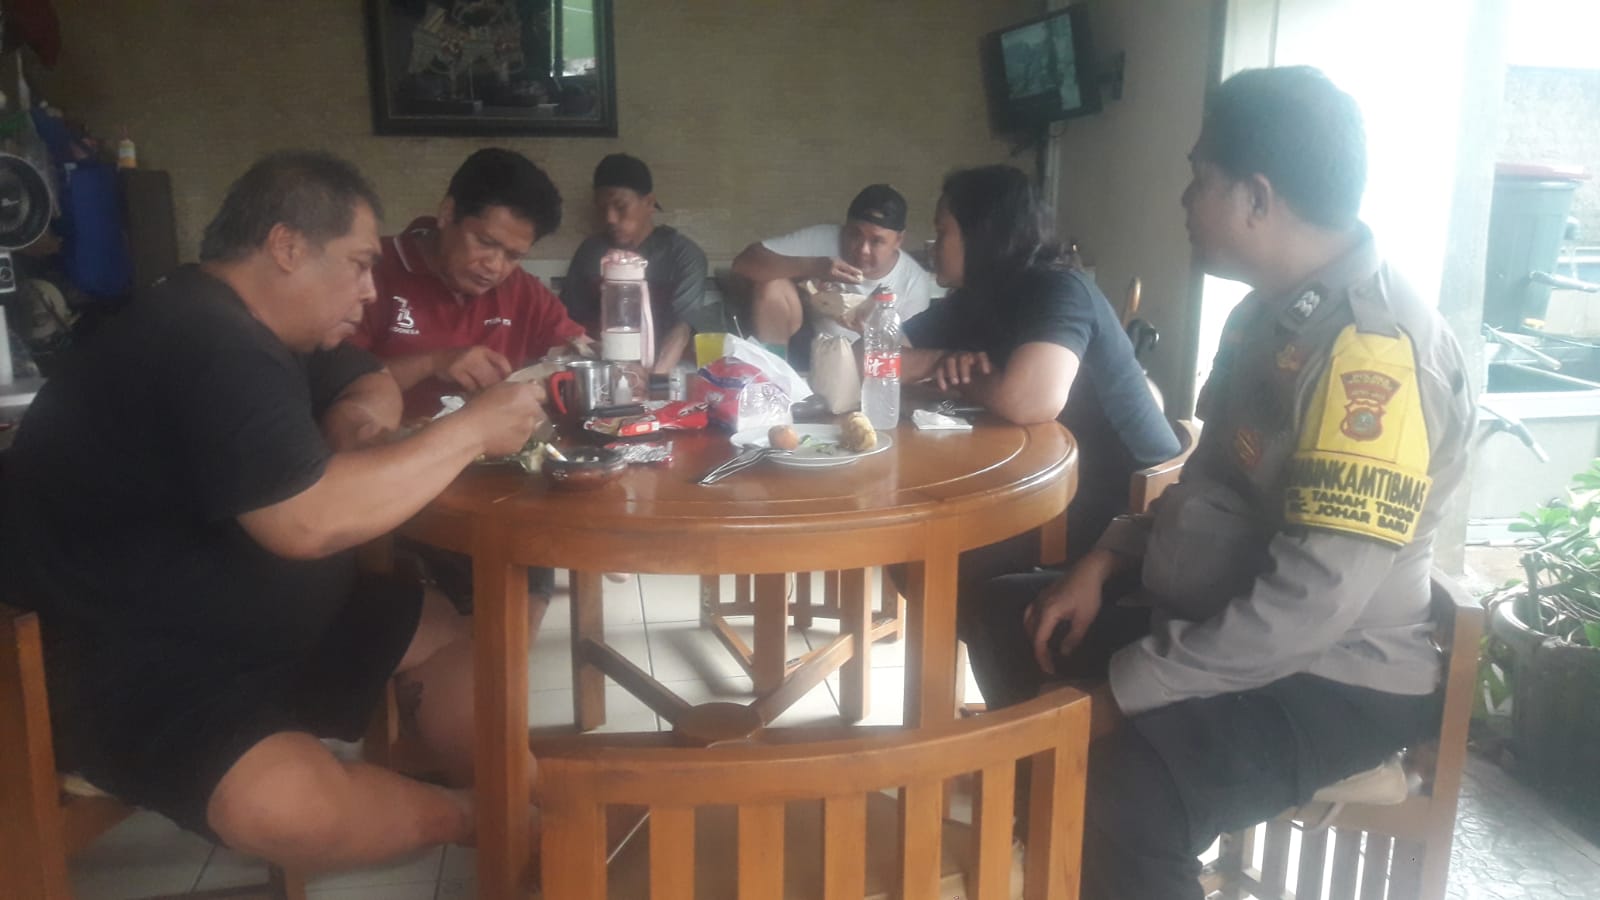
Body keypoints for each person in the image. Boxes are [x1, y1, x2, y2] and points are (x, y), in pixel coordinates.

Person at [963, 67, 1475, 899]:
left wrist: (1117, 695)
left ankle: (1094, 837)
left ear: (1257, 199)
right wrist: (1103, 561)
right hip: (1220, 620)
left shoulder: (1371, 359)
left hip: (1331, 672)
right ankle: (1064, 853)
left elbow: (1307, 609)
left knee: (1123, 794)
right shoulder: (1264, 316)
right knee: (1011, 613)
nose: (1184, 199)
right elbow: (1207, 486)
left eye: (1200, 179)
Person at [0, 151, 550, 873]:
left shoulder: (249, 322)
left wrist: (355, 422)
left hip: (244, 617)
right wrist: (473, 429)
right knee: (284, 809)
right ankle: (488, 820)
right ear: (287, 246)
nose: (369, 289)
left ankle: (532, 813)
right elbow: (304, 523)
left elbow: (364, 373)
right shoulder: (205, 338)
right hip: (133, 661)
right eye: (358, 264)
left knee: (451, 637)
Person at [902, 164, 1180, 576]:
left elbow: (1029, 401)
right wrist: (936, 361)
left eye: (942, 233)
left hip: (1129, 511)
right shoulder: (973, 300)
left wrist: (954, 372)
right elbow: (865, 361)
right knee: (917, 549)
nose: (932, 246)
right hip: (1054, 483)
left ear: (981, 234)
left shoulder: (1060, 290)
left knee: (932, 557)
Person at [350, 147, 589, 421]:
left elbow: (580, 349)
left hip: (499, 446)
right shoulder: (370, 271)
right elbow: (329, 385)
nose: (495, 266)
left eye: (513, 256)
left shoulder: (521, 290)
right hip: (391, 445)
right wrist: (433, 363)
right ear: (447, 213)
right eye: (485, 243)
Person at [559, 153, 721, 373]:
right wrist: (608, 366)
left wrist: (655, 379)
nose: (609, 218)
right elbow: (569, 323)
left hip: (667, 368)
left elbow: (682, 329)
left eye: (620, 206)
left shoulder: (683, 255)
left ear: (649, 203)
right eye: (602, 208)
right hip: (601, 367)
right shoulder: (590, 252)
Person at [733, 184, 936, 358]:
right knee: (773, 285)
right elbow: (743, 263)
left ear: (898, 240)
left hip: (868, 366)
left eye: (876, 241)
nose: (863, 250)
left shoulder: (913, 282)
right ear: (845, 227)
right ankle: (773, 371)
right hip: (808, 350)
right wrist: (814, 267)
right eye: (854, 235)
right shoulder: (823, 239)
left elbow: (909, 355)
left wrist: (870, 331)